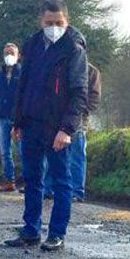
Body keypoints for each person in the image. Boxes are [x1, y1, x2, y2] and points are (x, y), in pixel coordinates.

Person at [4, 0, 88, 253]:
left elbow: (79, 93)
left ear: (67, 21)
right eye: (49, 23)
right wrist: (18, 121)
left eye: (59, 23)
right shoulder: (32, 45)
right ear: (41, 21)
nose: (54, 27)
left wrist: (67, 129)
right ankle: (30, 231)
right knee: (32, 179)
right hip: (31, 124)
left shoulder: (74, 50)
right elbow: (24, 86)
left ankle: (56, 233)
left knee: (61, 181)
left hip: (57, 128)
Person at [44, 61, 101, 202]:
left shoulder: (92, 71)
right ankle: (49, 188)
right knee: (54, 153)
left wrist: (81, 112)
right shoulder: (60, 66)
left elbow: (94, 97)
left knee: (77, 156)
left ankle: (76, 191)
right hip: (58, 118)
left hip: (79, 120)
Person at [0, 43, 22, 192]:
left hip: (19, 118)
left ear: (18, 56)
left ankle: (30, 181)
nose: (9, 56)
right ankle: (9, 180)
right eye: (6, 53)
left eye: (11, 53)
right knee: (5, 151)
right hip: (3, 117)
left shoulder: (23, 74)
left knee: (23, 150)